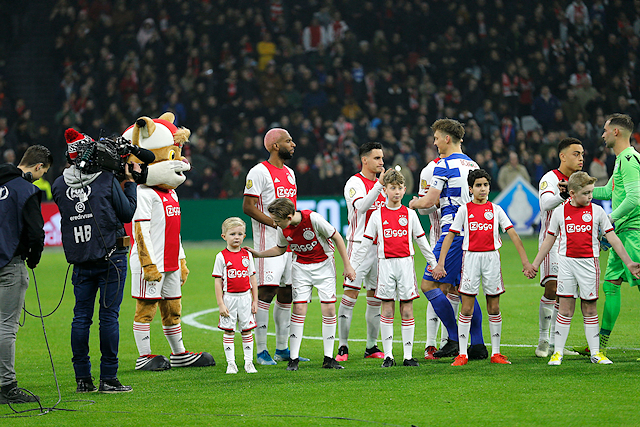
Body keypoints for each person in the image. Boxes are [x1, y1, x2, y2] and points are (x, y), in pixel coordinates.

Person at [52, 129, 137, 393]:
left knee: (80, 318)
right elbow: (127, 212)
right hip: (111, 257)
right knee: (108, 317)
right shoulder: (106, 179)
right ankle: (108, 378)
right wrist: (129, 182)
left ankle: (82, 380)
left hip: (80, 259)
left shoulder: (58, 185)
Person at [525, 172, 640, 365]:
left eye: (591, 192)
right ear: (572, 193)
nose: (590, 196)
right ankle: (557, 353)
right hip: (566, 265)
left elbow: (613, 239)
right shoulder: (560, 212)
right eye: (586, 193)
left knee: (590, 308)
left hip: (589, 266)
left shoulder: (598, 212)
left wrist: (628, 262)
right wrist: (535, 264)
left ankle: (596, 353)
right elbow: (549, 240)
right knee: (565, 309)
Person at [433, 169, 534, 366]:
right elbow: (450, 236)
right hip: (470, 259)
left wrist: (525, 262)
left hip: (491, 259)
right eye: (478, 185)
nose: (482, 189)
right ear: (470, 189)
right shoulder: (464, 210)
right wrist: (440, 263)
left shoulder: (496, 210)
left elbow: (513, 235)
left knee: (494, 307)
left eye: (485, 185)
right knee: (467, 307)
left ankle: (496, 353)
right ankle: (462, 354)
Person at [246, 197, 356, 371]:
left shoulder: (313, 219)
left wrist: (347, 265)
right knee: (298, 308)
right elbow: (281, 249)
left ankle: (329, 358)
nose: (275, 224)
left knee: (329, 309)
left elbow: (337, 237)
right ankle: (293, 359)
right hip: (300, 268)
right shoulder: (282, 227)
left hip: (324, 266)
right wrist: (259, 254)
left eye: (277, 221)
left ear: (289, 217)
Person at [409, 118, 486, 360]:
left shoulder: (443, 165)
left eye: (436, 138)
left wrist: (413, 203)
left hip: (453, 233)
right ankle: (478, 344)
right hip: (473, 232)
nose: (434, 143)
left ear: (447, 138)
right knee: (463, 289)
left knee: (428, 285)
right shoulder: (472, 164)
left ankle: (453, 338)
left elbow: (430, 201)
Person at [350, 170, 437, 367]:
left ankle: (407, 356)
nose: (396, 192)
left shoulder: (410, 214)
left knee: (407, 309)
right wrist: (352, 267)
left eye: (399, 188)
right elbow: (365, 245)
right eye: (392, 188)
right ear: (385, 191)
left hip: (405, 265)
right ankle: (388, 356)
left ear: (404, 190)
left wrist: (433, 264)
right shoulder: (377, 216)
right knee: (387, 310)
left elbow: (422, 242)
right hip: (385, 265)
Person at [243, 128, 307, 365]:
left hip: (290, 244)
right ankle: (261, 351)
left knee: (287, 293)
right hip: (268, 242)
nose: (293, 144)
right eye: (288, 141)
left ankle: (282, 349)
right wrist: (274, 223)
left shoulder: (290, 173)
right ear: (275, 146)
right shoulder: (258, 172)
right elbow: (248, 206)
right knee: (266, 292)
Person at [0, 145, 51, 404]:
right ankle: (7, 385)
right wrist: (33, 258)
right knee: (6, 326)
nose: (41, 177)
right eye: (43, 172)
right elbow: (36, 233)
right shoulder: (26, 190)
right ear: (38, 166)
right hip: (10, 264)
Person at [591, 113, 640, 354]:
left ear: (616, 132)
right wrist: (577, 189)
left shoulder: (629, 159)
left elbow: (634, 198)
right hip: (623, 234)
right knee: (611, 285)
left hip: (634, 233)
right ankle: (599, 345)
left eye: (605, 130)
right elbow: (609, 191)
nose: (603, 135)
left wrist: (609, 219)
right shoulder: (622, 159)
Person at [336, 142, 387, 362]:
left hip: (379, 248)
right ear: (364, 160)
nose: (381, 162)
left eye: (382, 158)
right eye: (377, 158)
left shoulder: (382, 185)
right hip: (358, 246)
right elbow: (361, 207)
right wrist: (380, 186)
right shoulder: (355, 183)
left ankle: (371, 346)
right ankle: (343, 347)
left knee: (376, 297)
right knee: (351, 295)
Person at [534, 137, 584, 358]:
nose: (581, 158)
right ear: (562, 156)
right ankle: (543, 341)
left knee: (566, 295)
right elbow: (545, 204)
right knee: (552, 289)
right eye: (576, 154)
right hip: (552, 243)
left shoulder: (581, 181)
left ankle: (557, 343)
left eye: (582, 154)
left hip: (574, 244)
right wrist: (564, 194)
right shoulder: (550, 178)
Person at [417, 155, 459, 359]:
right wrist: (438, 201)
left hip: (461, 239)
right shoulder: (429, 170)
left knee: (457, 290)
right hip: (439, 238)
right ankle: (430, 344)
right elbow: (423, 210)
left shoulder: (464, 164)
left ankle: (449, 341)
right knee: (437, 288)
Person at [213, 217, 258, 374]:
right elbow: (218, 282)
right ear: (224, 236)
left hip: (245, 298)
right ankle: (231, 364)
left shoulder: (247, 255)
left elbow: (253, 279)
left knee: (247, 330)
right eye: (232, 234)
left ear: (244, 236)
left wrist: (255, 300)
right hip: (229, 298)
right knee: (229, 331)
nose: (236, 237)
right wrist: (221, 304)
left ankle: (248, 363)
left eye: (240, 234)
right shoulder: (221, 256)